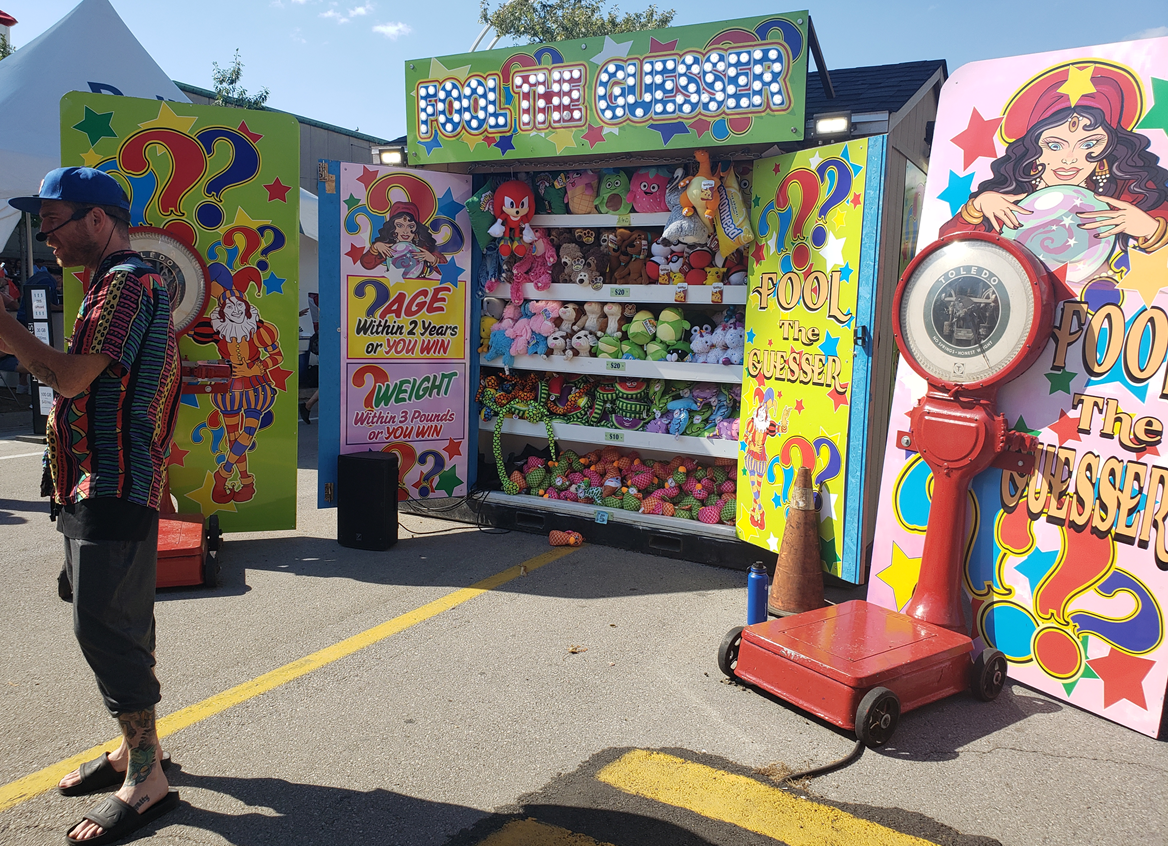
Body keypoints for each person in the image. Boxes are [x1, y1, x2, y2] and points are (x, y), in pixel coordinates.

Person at [2, 167, 181, 844]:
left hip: (112, 480)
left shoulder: (129, 284)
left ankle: (147, 777)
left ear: (99, 219)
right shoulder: (111, 286)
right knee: (120, 622)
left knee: (102, 627)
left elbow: (71, 378)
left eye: (54, 220)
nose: (44, 235)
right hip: (92, 479)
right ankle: (139, 750)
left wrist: (7, 323)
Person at [940, 62, 1168, 261]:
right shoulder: (1010, 193)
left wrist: (1151, 228)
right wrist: (978, 207)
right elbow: (944, 248)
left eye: (1088, 145)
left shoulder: (1127, 191)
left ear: (1108, 146)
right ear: (1033, 147)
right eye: (1055, 145)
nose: (1069, 159)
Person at [358, 200, 445, 277]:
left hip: (419, 288)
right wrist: (375, 248)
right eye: (400, 226)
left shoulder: (423, 246)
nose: (405, 231)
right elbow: (367, 264)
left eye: (410, 226)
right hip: (393, 288)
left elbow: (448, 271)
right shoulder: (389, 246)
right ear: (392, 227)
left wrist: (433, 259)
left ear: (416, 228)